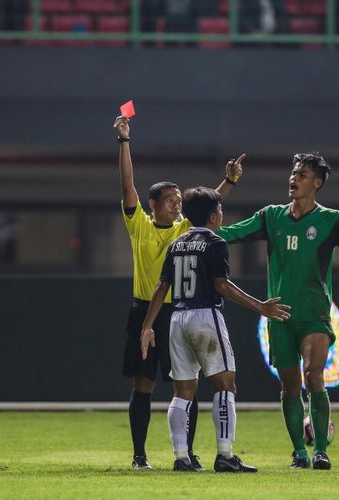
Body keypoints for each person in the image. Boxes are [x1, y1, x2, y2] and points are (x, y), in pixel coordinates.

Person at [217, 152, 339, 470]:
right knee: (289, 386)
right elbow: (230, 233)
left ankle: (321, 450)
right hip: (280, 314)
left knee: (313, 375)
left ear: (318, 183)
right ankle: (299, 451)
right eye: (293, 172)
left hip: (315, 313)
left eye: (302, 174)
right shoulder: (271, 216)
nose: (293, 178)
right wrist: (198, 231)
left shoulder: (332, 220)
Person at [113, 115, 243, 470]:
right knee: (143, 384)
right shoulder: (138, 223)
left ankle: (187, 454)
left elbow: (208, 206)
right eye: (169, 200)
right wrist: (124, 141)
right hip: (146, 312)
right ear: (151, 204)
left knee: (187, 388)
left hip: (178, 313)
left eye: (178, 200)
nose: (176, 205)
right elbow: (127, 184)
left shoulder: (188, 229)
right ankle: (140, 456)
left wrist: (228, 182)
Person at [140, 186, 291, 472]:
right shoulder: (216, 242)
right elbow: (221, 284)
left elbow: (162, 287)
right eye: (220, 210)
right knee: (225, 385)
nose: (221, 214)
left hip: (177, 318)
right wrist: (260, 306)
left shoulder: (177, 243)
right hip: (205, 316)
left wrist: (148, 326)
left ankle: (181, 457)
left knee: (182, 391)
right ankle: (224, 455)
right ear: (213, 216)